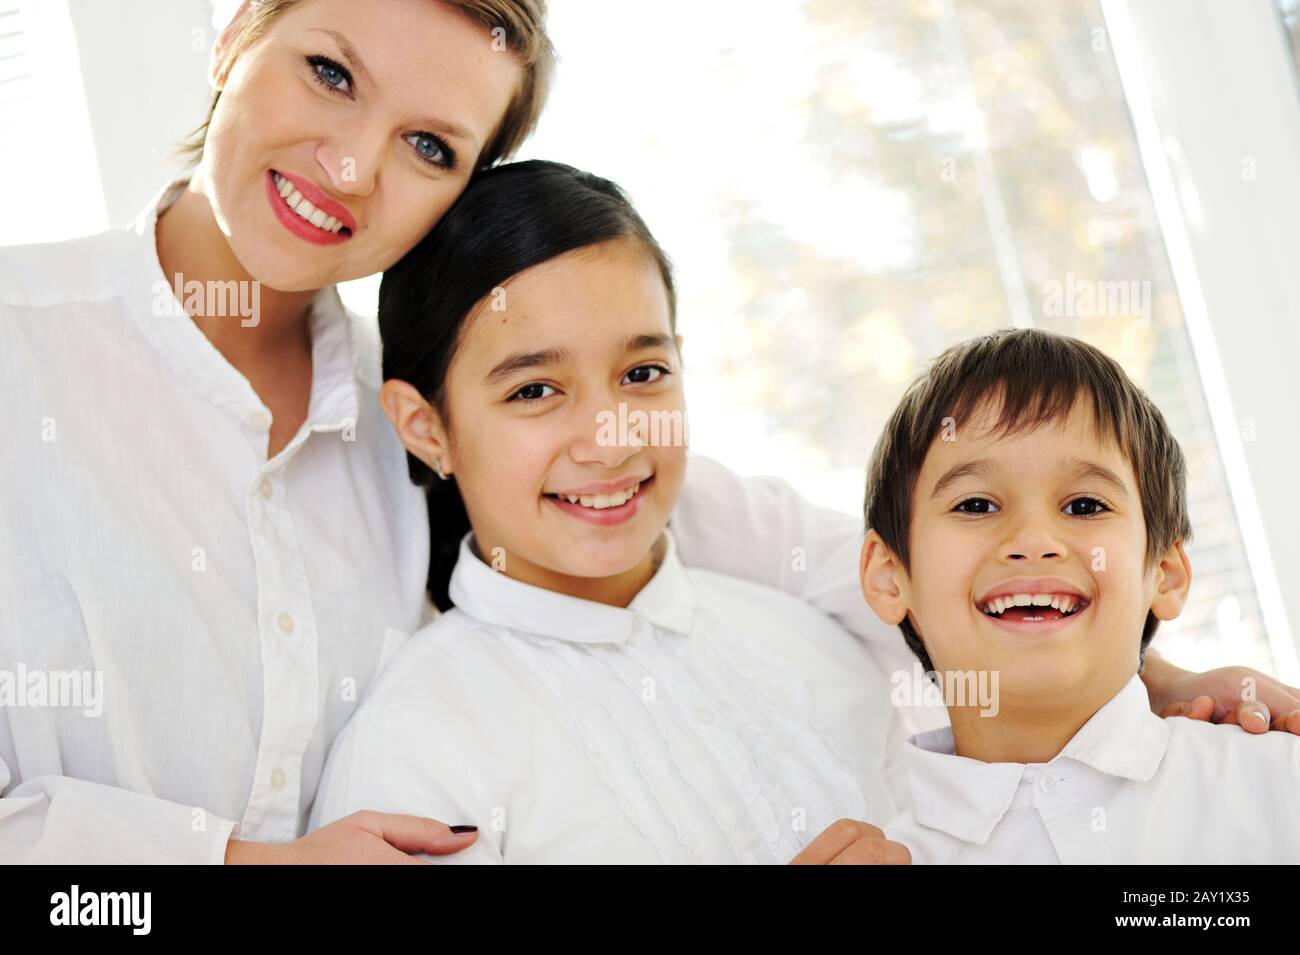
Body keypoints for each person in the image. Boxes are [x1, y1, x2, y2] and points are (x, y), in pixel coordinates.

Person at [1, 0, 1295, 866]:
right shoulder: (22, 350)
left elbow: (821, 554)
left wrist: (1133, 671)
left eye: (429, 144)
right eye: (328, 71)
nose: (349, 168)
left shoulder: (419, 413)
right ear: (237, 27)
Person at [310, 160, 905, 862]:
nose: (610, 439)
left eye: (642, 374)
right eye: (534, 391)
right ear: (425, 427)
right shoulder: (414, 753)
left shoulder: (822, 645)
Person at [850, 329, 1300, 863]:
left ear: (1165, 572)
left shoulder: (1276, 783)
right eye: (975, 505)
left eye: (1085, 506)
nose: (1033, 541)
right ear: (888, 576)